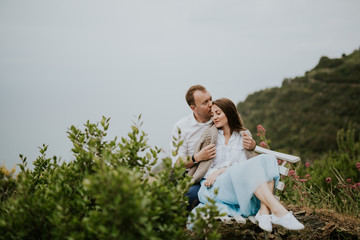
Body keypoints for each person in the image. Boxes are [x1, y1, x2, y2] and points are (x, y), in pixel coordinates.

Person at [188, 98, 304, 232]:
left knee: (268, 159)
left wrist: (225, 169)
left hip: (239, 183)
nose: (215, 117)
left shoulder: (243, 135)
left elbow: (246, 166)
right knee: (255, 167)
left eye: (218, 113)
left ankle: (264, 210)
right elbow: (203, 164)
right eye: (213, 114)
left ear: (229, 113)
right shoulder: (210, 135)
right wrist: (218, 172)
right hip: (214, 185)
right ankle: (278, 211)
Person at [170, 85, 256, 211]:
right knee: (189, 195)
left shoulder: (219, 117)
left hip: (220, 172)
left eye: (210, 99)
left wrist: (252, 145)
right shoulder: (181, 127)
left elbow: (237, 136)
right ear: (193, 108)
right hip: (193, 172)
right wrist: (198, 157)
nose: (211, 104)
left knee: (198, 194)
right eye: (205, 102)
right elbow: (177, 163)